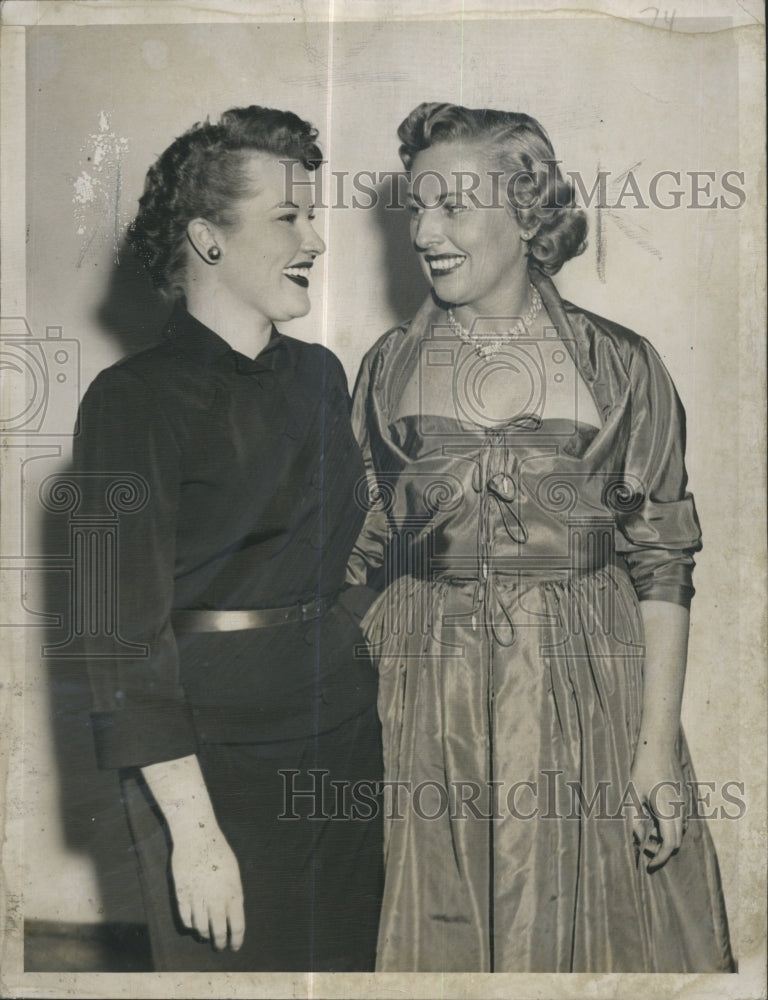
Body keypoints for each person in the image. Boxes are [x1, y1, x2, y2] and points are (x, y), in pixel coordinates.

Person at [347, 102, 734, 973]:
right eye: (418, 206)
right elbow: (357, 550)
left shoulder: (621, 362)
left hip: (584, 689)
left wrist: (656, 752)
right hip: (424, 699)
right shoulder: (384, 367)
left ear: (528, 213)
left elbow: (663, 565)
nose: (426, 232)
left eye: (453, 205)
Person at [73, 105, 382, 971]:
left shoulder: (321, 376)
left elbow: (352, 550)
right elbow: (117, 634)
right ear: (208, 240)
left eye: (313, 216)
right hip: (209, 764)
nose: (315, 240)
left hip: (341, 735)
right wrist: (195, 834)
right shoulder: (129, 401)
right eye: (289, 217)